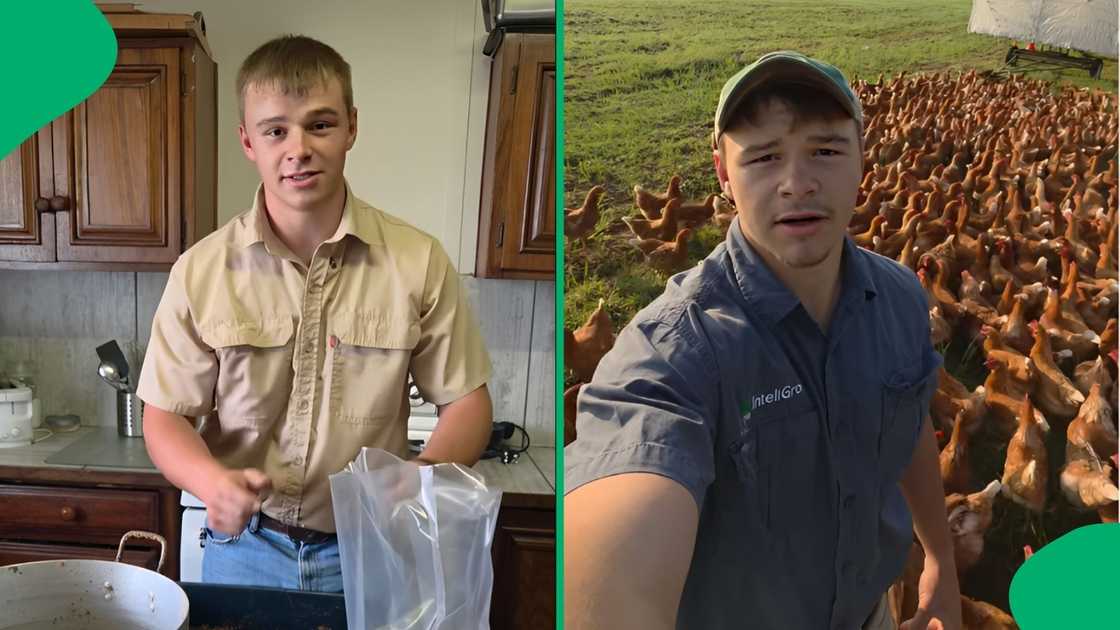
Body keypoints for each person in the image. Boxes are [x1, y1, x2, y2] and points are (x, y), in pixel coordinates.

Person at [564, 51, 963, 630]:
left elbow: (910, 417)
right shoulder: (673, 354)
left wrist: (940, 559)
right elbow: (619, 527)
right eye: (764, 157)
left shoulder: (900, 296)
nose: (797, 184)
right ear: (724, 173)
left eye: (825, 150)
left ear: (861, 158)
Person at [137, 35, 494, 592]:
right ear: (248, 142)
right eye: (275, 130)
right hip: (245, 550)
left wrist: (418, 476)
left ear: (351, 127)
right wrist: (214, 483)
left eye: (320, 125)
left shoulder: (417, 261)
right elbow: (163, 416)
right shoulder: (199, 271)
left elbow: (468, 402)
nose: (297, 148)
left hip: (372, 549)